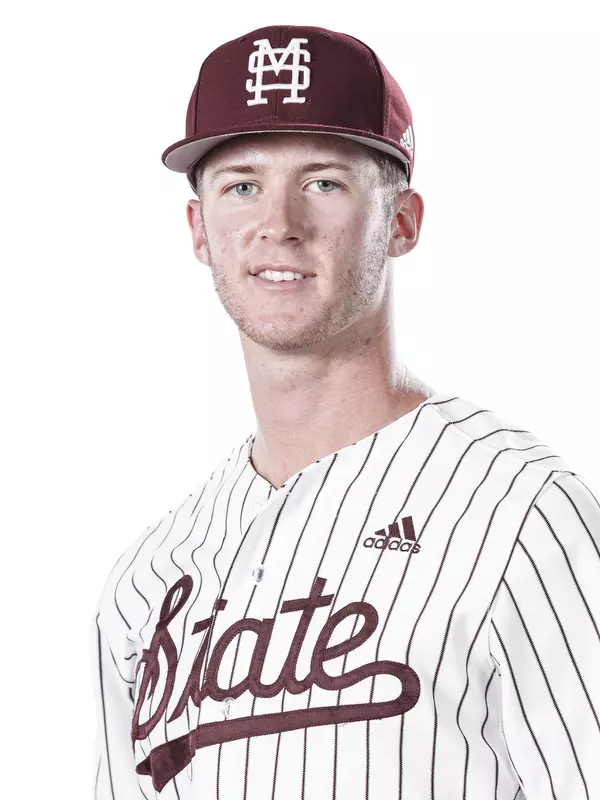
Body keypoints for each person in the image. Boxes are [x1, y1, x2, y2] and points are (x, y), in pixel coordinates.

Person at [90, 24, 600, 800]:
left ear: (402, 222)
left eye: (324, 182)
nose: (279, 224)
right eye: (241, 185)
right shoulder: (148, 578)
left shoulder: (520, 516)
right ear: (199, 230)